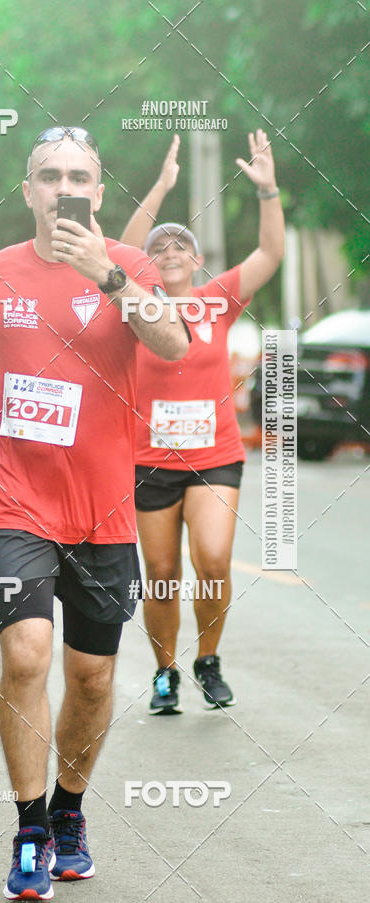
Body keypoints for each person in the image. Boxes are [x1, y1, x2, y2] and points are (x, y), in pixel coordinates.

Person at [0, 126, 189, 901]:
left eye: (77, 175)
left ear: (100, 190)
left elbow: (174, 343)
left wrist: (110, 276)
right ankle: (28, 829)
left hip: (105, 508)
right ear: (27, 190)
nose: (61, 187)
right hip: (15, 496)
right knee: (26, 656)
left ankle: (70, 811)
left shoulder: (132, 265)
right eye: (48, 175)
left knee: (90, 678)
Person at [121, 130, 285, 714]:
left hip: (215, 457)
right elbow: (121, 249)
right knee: (161, 571)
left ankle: (207, 660)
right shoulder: (135, 304)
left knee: (212, 559)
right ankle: (165, 672)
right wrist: (162, 190)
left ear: (198, 261)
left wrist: (267, 191)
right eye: (159, 246)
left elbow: (269, 255)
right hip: (150, 461)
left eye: (180, 246)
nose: (168, 251)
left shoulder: (217, 300)